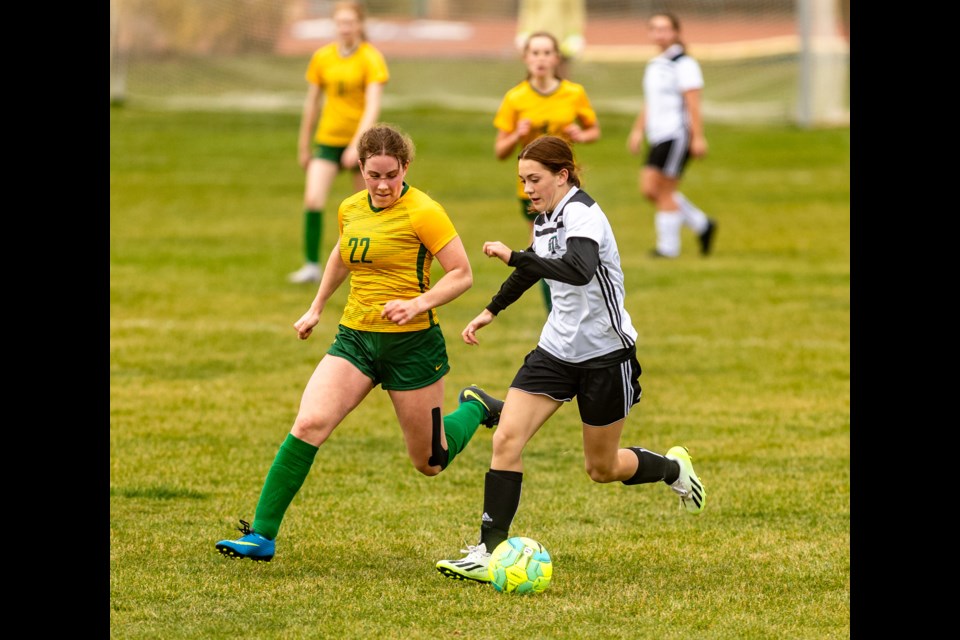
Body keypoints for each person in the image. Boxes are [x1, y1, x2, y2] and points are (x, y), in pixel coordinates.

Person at [216, 124, 505, 562]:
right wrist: (316, 307)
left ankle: (476, 407)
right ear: (361, 169)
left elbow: (462, 273)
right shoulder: (350, 206)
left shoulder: (424, 211)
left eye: (392, 174)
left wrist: (417, 302)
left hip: (412, 346)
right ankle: (261, 534)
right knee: (310, 423)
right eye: (374, 175)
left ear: (405, 167)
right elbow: (342, 253)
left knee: (429, 462)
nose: (384, 184)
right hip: (355, 340)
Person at [435, 136, 706, 583]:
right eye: (523, 181)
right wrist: (490, 311)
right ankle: (488, 550)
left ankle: (674, 468)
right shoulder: (544, 218)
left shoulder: (582, 215)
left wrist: (514, 255)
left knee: (601, 468)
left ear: (563, 175)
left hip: (605, 356)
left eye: (535, 179)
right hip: (555, 352)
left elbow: (579, 269)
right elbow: (534, 267)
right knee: (506, 440)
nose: (528, 189)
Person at [493, 31, 600, 313]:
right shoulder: (515, 98)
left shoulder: (574, 93)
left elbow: (594, 130)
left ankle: (569, 309)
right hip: (532, 191)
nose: (540, 59)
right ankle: (556, 311)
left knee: (564, 249)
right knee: (545, 249)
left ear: (556, 58)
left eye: (546, 53)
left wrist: (582, 134)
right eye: (535, 53)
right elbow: (500, 150)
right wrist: (516, 133)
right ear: (526, 58)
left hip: (566, 187)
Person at [288, 1, 390, 284]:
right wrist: (304, 145)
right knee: (313, 199)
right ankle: (310, 265)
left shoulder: (371, 58)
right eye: (340, 23)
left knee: (370, 205)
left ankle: (374, 264)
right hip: (328, 140)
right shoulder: (323, 57)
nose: (345, 28)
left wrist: (356, 144)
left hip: (361, 145)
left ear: (360, 25)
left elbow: (372, 106)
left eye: (350, 22)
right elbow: (312, 104)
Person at [627, 12, 716, 259]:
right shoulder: (656, 64)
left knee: (662, 190)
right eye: (654, 28)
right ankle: (702, 224)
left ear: (676, 32)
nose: (659, 34)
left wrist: (698, 136)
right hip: (658, 135)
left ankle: (668, 248)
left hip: (676, 135)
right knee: (650, 189)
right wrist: (637, 130)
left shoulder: (685, 64)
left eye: (665, 28)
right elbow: (651, 103)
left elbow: (693, 104)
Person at [514, 0, 586, 79]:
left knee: (560, 78)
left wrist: (574, 34)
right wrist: (524, 32)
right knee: (536, 78)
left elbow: (574, 12)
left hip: (561, 40)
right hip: (537, 39)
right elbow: (528, 10)